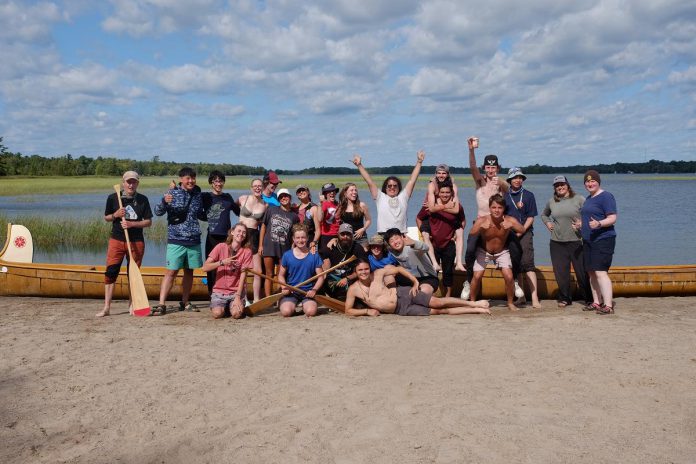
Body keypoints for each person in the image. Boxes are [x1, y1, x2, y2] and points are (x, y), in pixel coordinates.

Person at [462, 137, 512, 300]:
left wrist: (502, 182)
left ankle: (515, 280)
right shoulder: (480, 183)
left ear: (498, 168)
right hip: (481, 224)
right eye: (488, 167)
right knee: (469, 251)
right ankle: (469, 282)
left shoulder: (501, 184)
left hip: (498, 226)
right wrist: (471, 150)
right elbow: (472, 167)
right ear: (485, 168)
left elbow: (509, 189)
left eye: (493, 167)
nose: (490, 170)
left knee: (517, 250)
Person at [97, 170, 153, 317]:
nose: (131, 184)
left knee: (132, 274)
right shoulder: (113, 198)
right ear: (123, 183)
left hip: (136, 242)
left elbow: (148, 222)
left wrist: (131, 224)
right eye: (128, 182)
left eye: (134, 181)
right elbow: (106, 218)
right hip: (116, 240)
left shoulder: (143, 200)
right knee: (110, 273)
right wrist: (115, 215)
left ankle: (132, 305)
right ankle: (107, 307)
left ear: (137, 183)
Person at [344, 261, 490, 317]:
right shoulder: (353, 289)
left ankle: (474, 304)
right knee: (439, 311)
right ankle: (476, 310)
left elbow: (399, 269)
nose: (363, 272)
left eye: (365, 269)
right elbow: (347, 310)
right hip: (400, 310)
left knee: (438, 302)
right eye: (360, 270)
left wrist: (414, 282)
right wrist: (367, 311)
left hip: (404, 294)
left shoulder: (377, 273)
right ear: (355, 272)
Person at [153, 166, 204, 312]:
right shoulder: (171, 193)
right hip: (176, 239)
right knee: (171, 272)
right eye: (188, 178)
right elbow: (157, 212)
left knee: (189, 272)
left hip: (194, 239)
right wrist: (164, 201)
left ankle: (185, 302)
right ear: (181, 179)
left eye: (193, 178)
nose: (191, 181)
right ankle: (162, 303)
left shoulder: (197, 194)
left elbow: (200, 213)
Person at [541, 176, 593, 308]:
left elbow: (590, 213)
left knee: (582, 272)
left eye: (562, 184)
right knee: (561, 272)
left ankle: (589, 299)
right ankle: (565, 298)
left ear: (567, 185)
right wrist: (548, 223)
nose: (560, 187)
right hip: (557, 242)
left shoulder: (579, 199)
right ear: (554, 188)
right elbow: (544, 214)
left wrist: (582, 222)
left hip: (576, 241)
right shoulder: (552, 201)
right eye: (557, 185)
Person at [468, 194, 524, 310]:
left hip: (501, 252)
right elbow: (472, 233)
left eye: (499, 208)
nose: (497, 210)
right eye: (494, 207)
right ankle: (472, 303)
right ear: (489, 208)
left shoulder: (509, 220)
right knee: (477, 276)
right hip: (484, 251)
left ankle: (510, 303)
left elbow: (522, 229)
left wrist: (512, 225)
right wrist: (480, 228)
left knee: (509, 276)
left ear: (503, 208)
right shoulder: (482, 220)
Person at [352, 150, 424, 233]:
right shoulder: (380, 197)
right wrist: (359, 165)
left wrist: (419, 162)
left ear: (399, 187)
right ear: (385, 188)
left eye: (395, 186)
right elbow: (369, 181)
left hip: (401, 235)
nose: (392, 188)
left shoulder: (403, 196)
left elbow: (412, 180)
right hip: (383, 234)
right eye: (389, 186)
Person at [416, 181, 465, 297]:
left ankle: (447, 296)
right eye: (442, 192)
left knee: (448, 271)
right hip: (433, 243)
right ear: (438, 194)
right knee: (432, 271)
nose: (445, 195)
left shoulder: (456, 206)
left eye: (448, 192)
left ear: (452, 193)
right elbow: (418, 218)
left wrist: (457, 234)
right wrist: (424, 231)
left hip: (448, 242)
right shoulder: (430, 205)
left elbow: (462, 220)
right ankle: (431, 295)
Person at [580, 170, 618, 315]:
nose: (590, 184)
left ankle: (608, 305)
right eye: (587, 182)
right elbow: (589, 218)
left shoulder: (606, 196)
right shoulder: (589, 198)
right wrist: (580, 224)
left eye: (592, 181)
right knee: (591, 273)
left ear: (598, 182)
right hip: (588, 240)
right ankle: (597, 302)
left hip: (603, 239)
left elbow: (613, 218)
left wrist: (600, 224)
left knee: (601, 272)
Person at [504, 167, 540, 308]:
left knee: (528, 264)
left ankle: (535, 297)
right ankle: (522, 297)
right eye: (514, 178)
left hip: (526, 233)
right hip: (510, 235)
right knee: (516, 265)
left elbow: (531, 217)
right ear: (510, 180)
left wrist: (522, 230)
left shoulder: (529, 195)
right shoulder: (505, 196)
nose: (517, 180)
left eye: (520, 178)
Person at [200, 223, 252, 319]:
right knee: (217, 314)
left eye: (244, 232)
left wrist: (237, 296)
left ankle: (234, 306)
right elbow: (205, 268)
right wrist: (222, 262)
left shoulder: (247, 252)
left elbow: (243, 276)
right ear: (232, 232)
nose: (241, 234)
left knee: (236, 314)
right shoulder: (220, 247)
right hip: (219, 292)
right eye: (239, 231)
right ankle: (226, 307)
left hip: (235, 292)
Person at [201, 170, 241, 295]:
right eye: (215, 181)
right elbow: (196, 211)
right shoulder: (206, 196)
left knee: (227, 264)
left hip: (227, 237)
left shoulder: (227, 197)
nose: (218, 183)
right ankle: (211, 294)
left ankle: (226, 291)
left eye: (220, 181)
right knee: (211, 266)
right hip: (212, 235)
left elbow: (238, 212)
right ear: (211, 183)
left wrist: (247, 201)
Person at [421, 164, 466, 272]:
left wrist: (438, 207)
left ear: (448, 174)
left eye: (444, 173)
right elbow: (431, 209)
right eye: (439, 173)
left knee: (460, 231)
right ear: (436, 174)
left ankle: (459, 262)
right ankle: (435, 264)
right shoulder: (432, 184)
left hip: (446, 213)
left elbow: (455, 210)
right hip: (431, 214)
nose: (441, 175)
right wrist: (445, 206)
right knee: (425, 234)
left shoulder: (453, 186)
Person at [259, 188, 299, 298]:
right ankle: (268, 298)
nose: (284, 198)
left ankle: (279, 298)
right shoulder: (271, 210)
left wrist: (293, 249)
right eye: (281, 197)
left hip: (284, 249)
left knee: (281, 274)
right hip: (269, 246)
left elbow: (293, 235)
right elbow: (263, 226)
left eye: (286, 196)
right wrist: (260, 245)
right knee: (269, 274)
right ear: (279, 199)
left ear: (290, 198)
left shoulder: (294, 216)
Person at [278, 224, 325, 317]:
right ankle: (288, 304)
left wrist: (314, 290)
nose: (300, 240)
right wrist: (284, 288)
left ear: (307, 238)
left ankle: (306, 306)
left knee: (311, 312)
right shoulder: (287, 255)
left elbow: (321, 277)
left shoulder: (314, 255)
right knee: (286, 312)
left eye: (303, 237)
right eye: (297, 238)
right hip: (291, 291)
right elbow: (280, 275)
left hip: (307, 292)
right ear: (293, 239)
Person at [237, 178, 267, 302]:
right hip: (241, 235)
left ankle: (256, 299)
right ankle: (241, 297)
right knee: (240, 268)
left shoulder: (265, 205)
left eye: (260, 186)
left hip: (254, 234)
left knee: (258, 270)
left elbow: (264, 224)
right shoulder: (242, 199)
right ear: (251, 188)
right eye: (255, 186)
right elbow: (229, 207)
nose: (257, 188)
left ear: (263, 188)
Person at [384, 227, 439, 295]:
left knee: (421, 296)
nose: (395, 242)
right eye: (391, 241)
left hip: (427, 278)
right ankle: (392, 295)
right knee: (387, 268)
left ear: (402, 237)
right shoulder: (392, 251)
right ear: (389, 244)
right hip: (411, 278)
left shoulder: (412, 247)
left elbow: (426, 248)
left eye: (396, 238)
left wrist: (413, 243)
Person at [320, 223, 368, 299]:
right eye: (343, 234)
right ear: (338, 235)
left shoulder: (357, 248)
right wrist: (322, 271)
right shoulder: (332, 246)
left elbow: (365, 269)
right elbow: (317, 259)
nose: (345, 237)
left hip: (351, 278)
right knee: (323, 280)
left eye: (348, 234)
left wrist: (348, 278)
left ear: (352, 235)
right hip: (334, 278)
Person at [336, 182, 371, 250]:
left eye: (355, 190)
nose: (354, 192)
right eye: (351, 190)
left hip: (361, 238)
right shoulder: (341, 207)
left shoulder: (361, 205)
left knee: (363, 258)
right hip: (347, 238)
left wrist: (363, 229)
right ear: (345, 193)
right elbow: (337, 222)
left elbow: (368, 220)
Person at [294, 184, 321, 253]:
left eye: (303, 190)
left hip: (309, 241)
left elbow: (318, 229)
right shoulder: (295, 208)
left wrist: (314, 242)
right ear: (297, 195)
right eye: (299, 191)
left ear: (308, 192)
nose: (301, 192)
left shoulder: (314, 208)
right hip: (296, 241)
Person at [319, 182, 340, 254]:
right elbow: (320, 219)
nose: (332, 193)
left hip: (337, 235)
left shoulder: (338, 204)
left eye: (333, 191)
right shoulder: (324, 204)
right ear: (324, 194)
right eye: (329, 191)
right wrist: (321, 203)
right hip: (326, 236)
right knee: (325, 257)